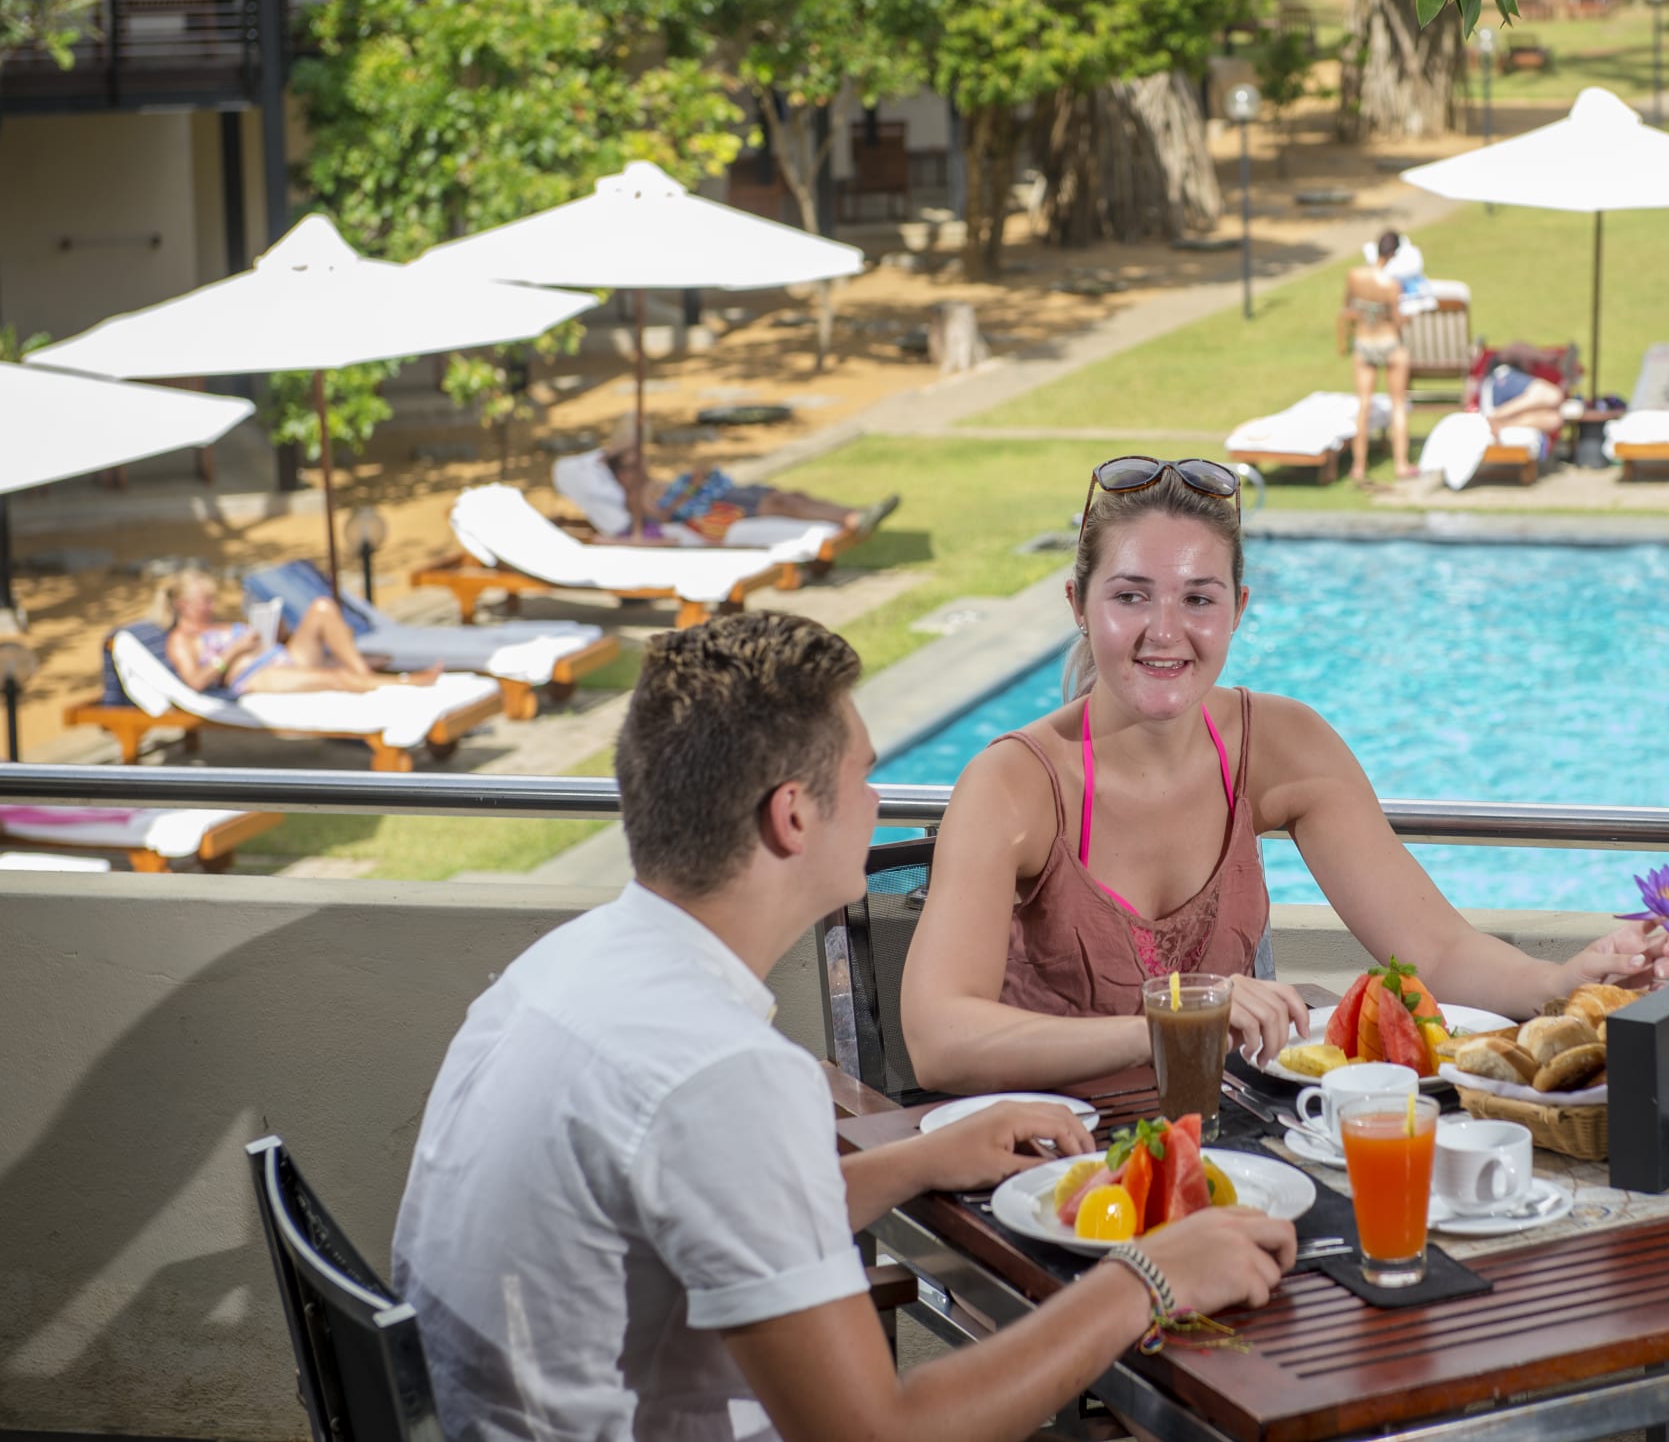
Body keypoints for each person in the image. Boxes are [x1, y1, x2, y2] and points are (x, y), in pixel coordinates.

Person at [392, 612, 1296, 1442]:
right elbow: (877, 1433)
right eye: (863, 775)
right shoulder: (722, 1074)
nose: (874, 801)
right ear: (792, 816)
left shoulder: (562, 973)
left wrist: (915, 1164)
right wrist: (1148, 1279)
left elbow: (704, 1207)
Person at [900, 456, 1669, 1094]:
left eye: (1198, 599)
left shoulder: (1280, 744)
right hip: (1051, 1172)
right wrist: (1175, 1025)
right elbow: (940, 1040)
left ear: (1237, 609)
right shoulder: (1012, 786)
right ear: (1078, 604)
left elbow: (1436, 952)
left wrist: (1564, 983)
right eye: (1130, 596)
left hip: (1240, 1158)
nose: (1164, 631)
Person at [601, 421, 898, 545]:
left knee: (794, 495)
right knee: (783, 503)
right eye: (632, 465)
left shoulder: (652, 482)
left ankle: (857, 512)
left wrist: (698, 478)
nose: (641, 466)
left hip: (721, 491)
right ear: (621, 476)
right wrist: (692, 486)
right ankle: (852, 519)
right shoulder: (634, 498)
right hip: (717, 508)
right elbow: (665, 516)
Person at [158, 569, 438, 695]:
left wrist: (274, 629)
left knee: (322, 607)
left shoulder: (216, 623)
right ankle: (408, 683)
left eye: (211, 599)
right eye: (204, 601)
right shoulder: (181, 640)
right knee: (338, 677)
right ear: (183, 605)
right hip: (256, 675)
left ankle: (363, 673)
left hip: (280, 655)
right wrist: (233, 651)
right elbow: (195, 682)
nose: (211, 606)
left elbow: (279, 640)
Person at [1338, 250, 1414, 484]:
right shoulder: (1392, 285)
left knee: (1364, 404)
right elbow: (1398, 320)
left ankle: (1359, 466)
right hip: (1389, 342)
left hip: (1365, 342)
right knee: (1398, 404)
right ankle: (1401, 464)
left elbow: (1348, 308)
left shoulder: (1354, 275)